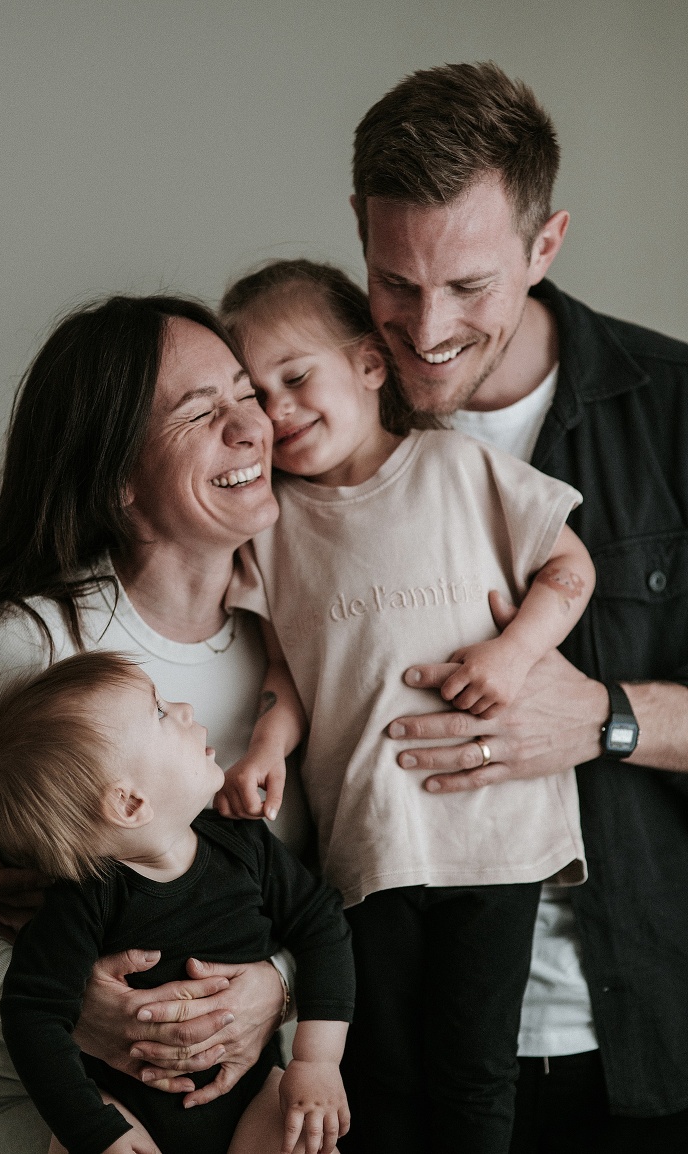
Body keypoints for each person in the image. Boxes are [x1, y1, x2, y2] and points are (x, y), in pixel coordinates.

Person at [349, 61, 688, 1153]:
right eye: (395, 281)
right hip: (385, 1055)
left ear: (546, 245)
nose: (426, 328)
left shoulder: (676, 412)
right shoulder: (314, 429)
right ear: (359, 228)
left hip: (642, 1052)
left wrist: (605, 719)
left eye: (469, 286)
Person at [214, 257, 595, 1154]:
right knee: (378, 1075)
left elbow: (570, 568)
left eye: (295, 377)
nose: (277, 410)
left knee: (474, 1074)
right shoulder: (274, 525)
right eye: (256, 394)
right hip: (369, 832)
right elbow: (287, 670)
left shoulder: (459, 467)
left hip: (493, 831)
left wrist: (514, 653)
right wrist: (267, 744)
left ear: (369, 364)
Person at [0, 295, 308, 1153]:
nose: (253, 426)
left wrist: (278, 988)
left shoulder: (299, 642)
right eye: (200, 413)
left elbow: (333, 886)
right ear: (117, 480)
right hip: (54, 1095)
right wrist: (57, 1002)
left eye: (246, 394)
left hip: (240, 1097)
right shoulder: (24, 648)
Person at [0, 651, 353, 1154]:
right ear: (130, 804)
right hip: (126, 1114)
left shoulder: (244, 845)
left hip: (251, 1097)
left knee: (304, 1138)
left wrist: (317, 1060)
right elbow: (32, 1018)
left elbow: (322, 924)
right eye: (161, 712)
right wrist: (96, 1132)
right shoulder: (82, 901)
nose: (186, 709)